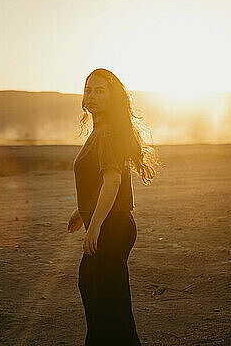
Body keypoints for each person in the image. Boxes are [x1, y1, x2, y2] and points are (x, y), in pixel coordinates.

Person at [67, 68, 161, 346]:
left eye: (100, 90)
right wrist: (81, 210)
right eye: (88, 89)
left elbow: (112, 182)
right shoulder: (100, 132)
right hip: (112, 224)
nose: (91, 95)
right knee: (102, 299)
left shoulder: (106, 134)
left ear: (112, 97)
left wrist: (94, 224)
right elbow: (99, 181)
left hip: (111, 227)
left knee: (108, 308)